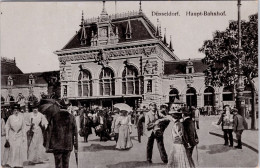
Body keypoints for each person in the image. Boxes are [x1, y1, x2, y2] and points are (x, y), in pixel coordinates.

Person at [45, 100, 78, 168]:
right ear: (67, 107)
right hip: (68, 145)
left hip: (57, 145)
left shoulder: (54, 117)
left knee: (58, 165)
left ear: (59, 107)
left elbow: (49, 131)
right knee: (66, 164)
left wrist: (48, 146)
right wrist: (76, 146)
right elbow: (75, 133)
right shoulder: (72, 117)